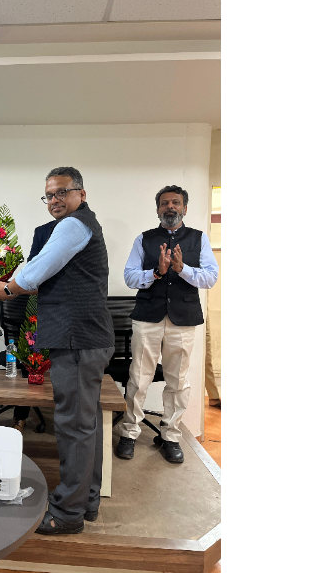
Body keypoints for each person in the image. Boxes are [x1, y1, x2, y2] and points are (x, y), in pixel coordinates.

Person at [0, 167, 114, 535]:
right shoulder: (79, 224)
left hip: (77, 338)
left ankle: (68, 513)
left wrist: (6, 289)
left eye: (62, 192)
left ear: (81, 194)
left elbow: (37, 271)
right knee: (85, 425)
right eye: (49, 195)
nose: (55, 200)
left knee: (74, 427)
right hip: (87, 337)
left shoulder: (74, 225)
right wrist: (15, 282)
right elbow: (40, 271)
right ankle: (86, 501)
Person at [115, 185, 219, 463]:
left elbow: (210, 277)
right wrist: (156, 272)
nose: (170, 207)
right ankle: (129, 432)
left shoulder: (199, 239)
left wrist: (182, 269)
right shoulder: (144, 239)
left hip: (183, 319)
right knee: (139, 377)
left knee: (178, 381)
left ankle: (170, 435)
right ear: (157, 209)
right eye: (164, 203)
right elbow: (130, 277)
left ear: (185, 208)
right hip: (147, 317)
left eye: (175, 202)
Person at [10, 219, 55, 432]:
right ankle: (20, 417)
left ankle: (65, 418)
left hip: (66, 307)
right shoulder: (42, 231)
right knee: (31, 358)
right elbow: (32, 268)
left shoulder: (81, 229)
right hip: (38, 304)